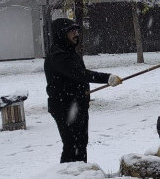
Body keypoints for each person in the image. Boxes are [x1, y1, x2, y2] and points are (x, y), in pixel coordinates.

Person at [44, 18, 122, 163]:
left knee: (80, 144)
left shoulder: (68, 51)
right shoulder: (58, 55)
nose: (76, 34)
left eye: (76, 30)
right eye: (72, 31)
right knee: (72, 146)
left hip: (76, 104)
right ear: (61, 34)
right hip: (65, 106)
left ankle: (80, 172)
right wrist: (107, 78)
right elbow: (80, 74)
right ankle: (69, 175)